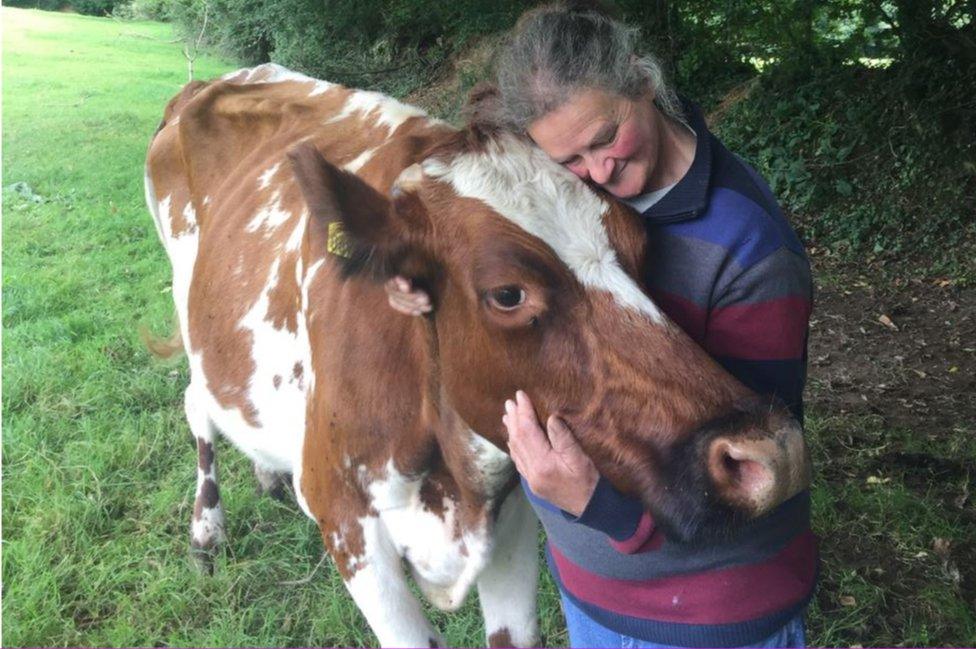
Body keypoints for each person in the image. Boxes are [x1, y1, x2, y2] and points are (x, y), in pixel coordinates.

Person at [386, 3, 815, 647]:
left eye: (607, 135)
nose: (601, 171)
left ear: (644, 82)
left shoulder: (749, 248)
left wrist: (596, 507)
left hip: (707, 618)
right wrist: (412, 271)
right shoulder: (572, 202)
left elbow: (758, 468)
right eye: (570, 157)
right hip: (596, 593)